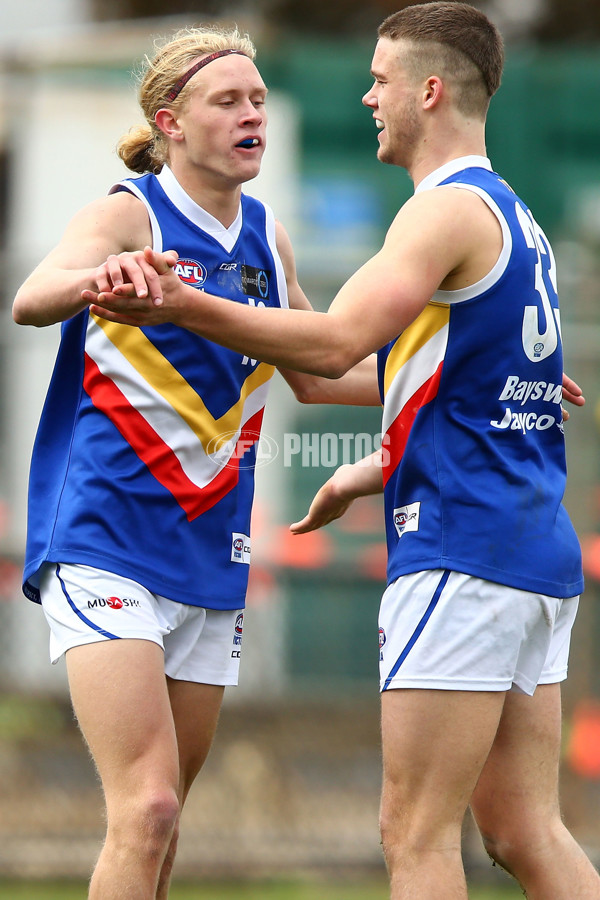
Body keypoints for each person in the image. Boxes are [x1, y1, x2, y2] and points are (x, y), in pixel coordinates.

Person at [85, 3, 600, 898]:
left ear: (429, 91)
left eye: (381, 79)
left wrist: (182, 306)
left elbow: (329, 346)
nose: (367, 96)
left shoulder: (441, 214)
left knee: (417, 837)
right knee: (525, 827)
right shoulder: (519, 218)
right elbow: (417, 383)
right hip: (530, 550)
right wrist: (370, 469)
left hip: (460, 553)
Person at [12, 25, 380, 900]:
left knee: (164, 827)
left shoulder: (268, 236)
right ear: (171, 123)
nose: (252, 114)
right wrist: (104, 276)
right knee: (146, 811)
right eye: (229, 101)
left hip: (212, 553)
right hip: (105, 537)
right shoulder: (127, 212)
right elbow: (32, 298)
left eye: (258, 100)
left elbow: (324, 370)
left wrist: (466, 383)